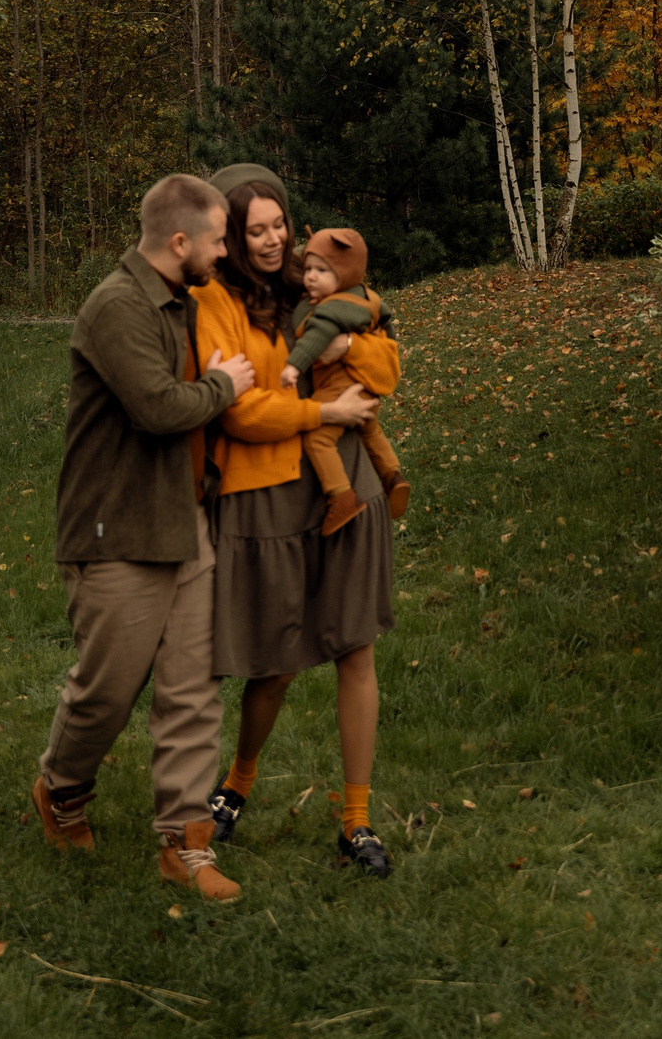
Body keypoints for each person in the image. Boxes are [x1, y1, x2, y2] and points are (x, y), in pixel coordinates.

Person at [33, 173, 259, 904]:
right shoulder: (116, 306)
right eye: (220, 239)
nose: (225, 253)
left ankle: (184, 845)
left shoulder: (184, 303)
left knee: (194, 691)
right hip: (114, 529)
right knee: (109, 689)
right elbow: (160, 408)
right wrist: (226, 384)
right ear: (181, 241)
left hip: (182, 523)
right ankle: (61, 788)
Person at [191, 163, 402, 877]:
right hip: (272, 497)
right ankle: (237, 784)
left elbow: (387, 360)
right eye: (256, 230)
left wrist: (352, 351)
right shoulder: (216, 301)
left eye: (280, 224)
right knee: (274, 663)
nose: (275, 240)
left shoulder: (320, 285)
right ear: (230, 234)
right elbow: (240, 411)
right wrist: (325, 409)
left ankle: (356, 820)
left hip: (347, 487)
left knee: (355, 648)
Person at [283, 227, 409, 537]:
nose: (310, 277)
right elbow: (388, 330)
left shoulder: (331, 309)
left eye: (320, 271)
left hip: (339, 386)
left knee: (318, 439)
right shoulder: (366, 297)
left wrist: (292, 367)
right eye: (307, 269)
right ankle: (393, 475)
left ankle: (340, 495)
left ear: (342, 275)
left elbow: (314, 341)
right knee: (370, 428)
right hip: (363, 384)